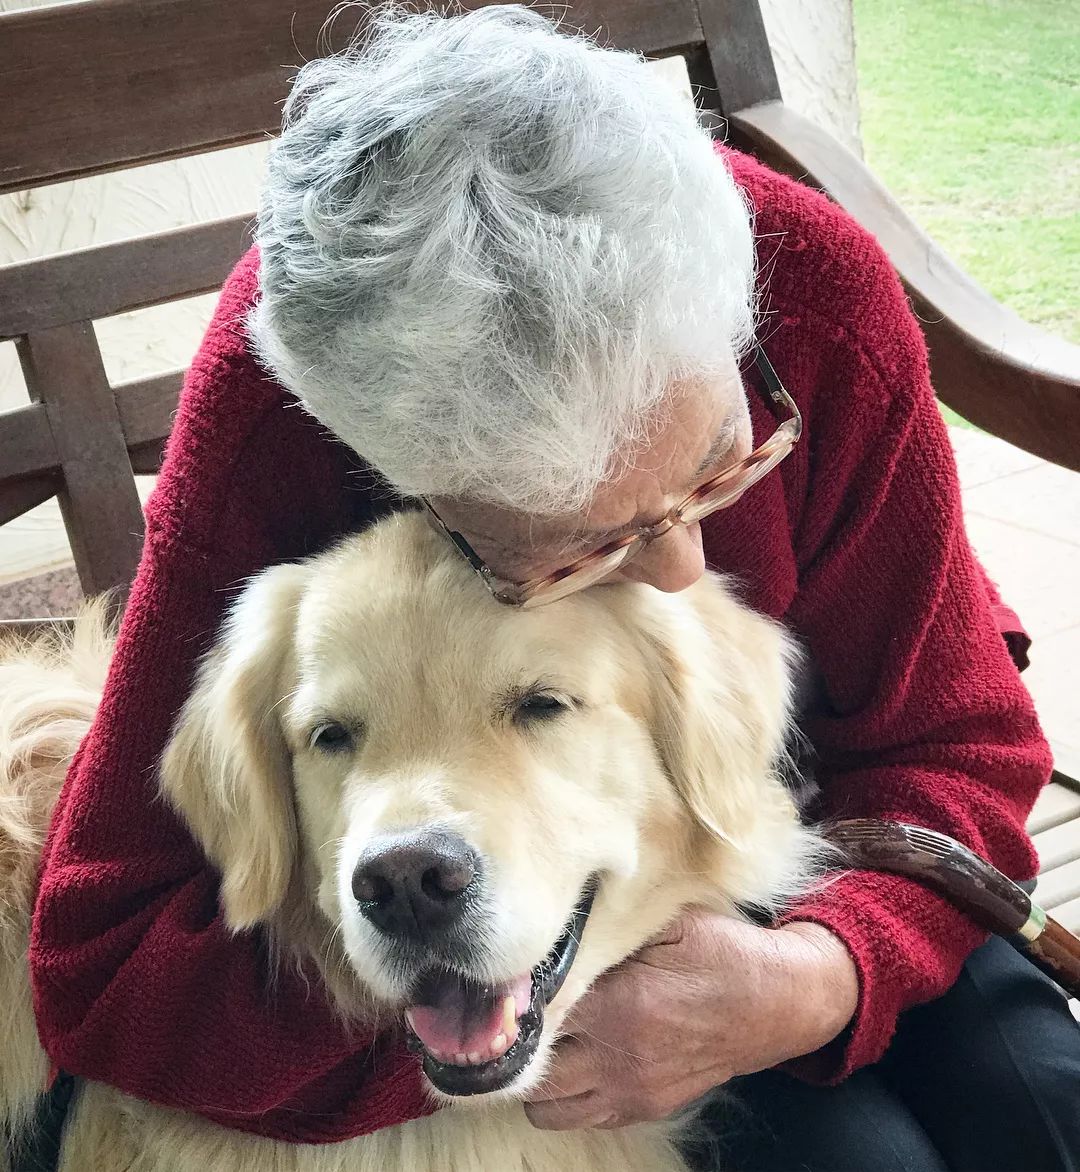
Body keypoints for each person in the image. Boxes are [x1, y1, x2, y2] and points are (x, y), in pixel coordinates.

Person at [27, 7, 1079, 1170]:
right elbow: (102, 965)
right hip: (605, 900)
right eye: (581, 548)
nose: (684, 567)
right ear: (407, 483)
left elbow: (959, 744)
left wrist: (823, 974)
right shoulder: (280, 414)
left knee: (1048, 1108)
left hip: (857, 830)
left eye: (723, 463)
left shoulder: (815, 290)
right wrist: (521, 1001)